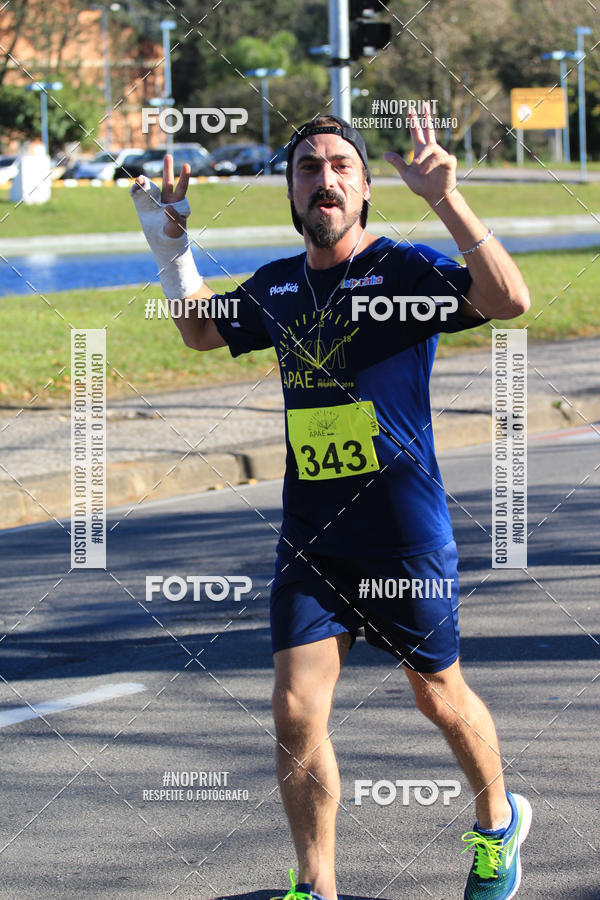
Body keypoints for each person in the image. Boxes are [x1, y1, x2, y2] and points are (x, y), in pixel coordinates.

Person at [131, 108, 532, 900]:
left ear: (366, 188)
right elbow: (201, 334)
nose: (325, 180)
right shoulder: (280, 285)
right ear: (290, 191)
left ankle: (499, 821)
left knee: (439, 697)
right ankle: (316, 886)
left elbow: (509, 301)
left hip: (404, 534)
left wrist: (448, 200)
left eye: (341, 166)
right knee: (294, 709)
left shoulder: (402, 271)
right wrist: (169, 246)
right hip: (313, 538)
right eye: (308, 168)